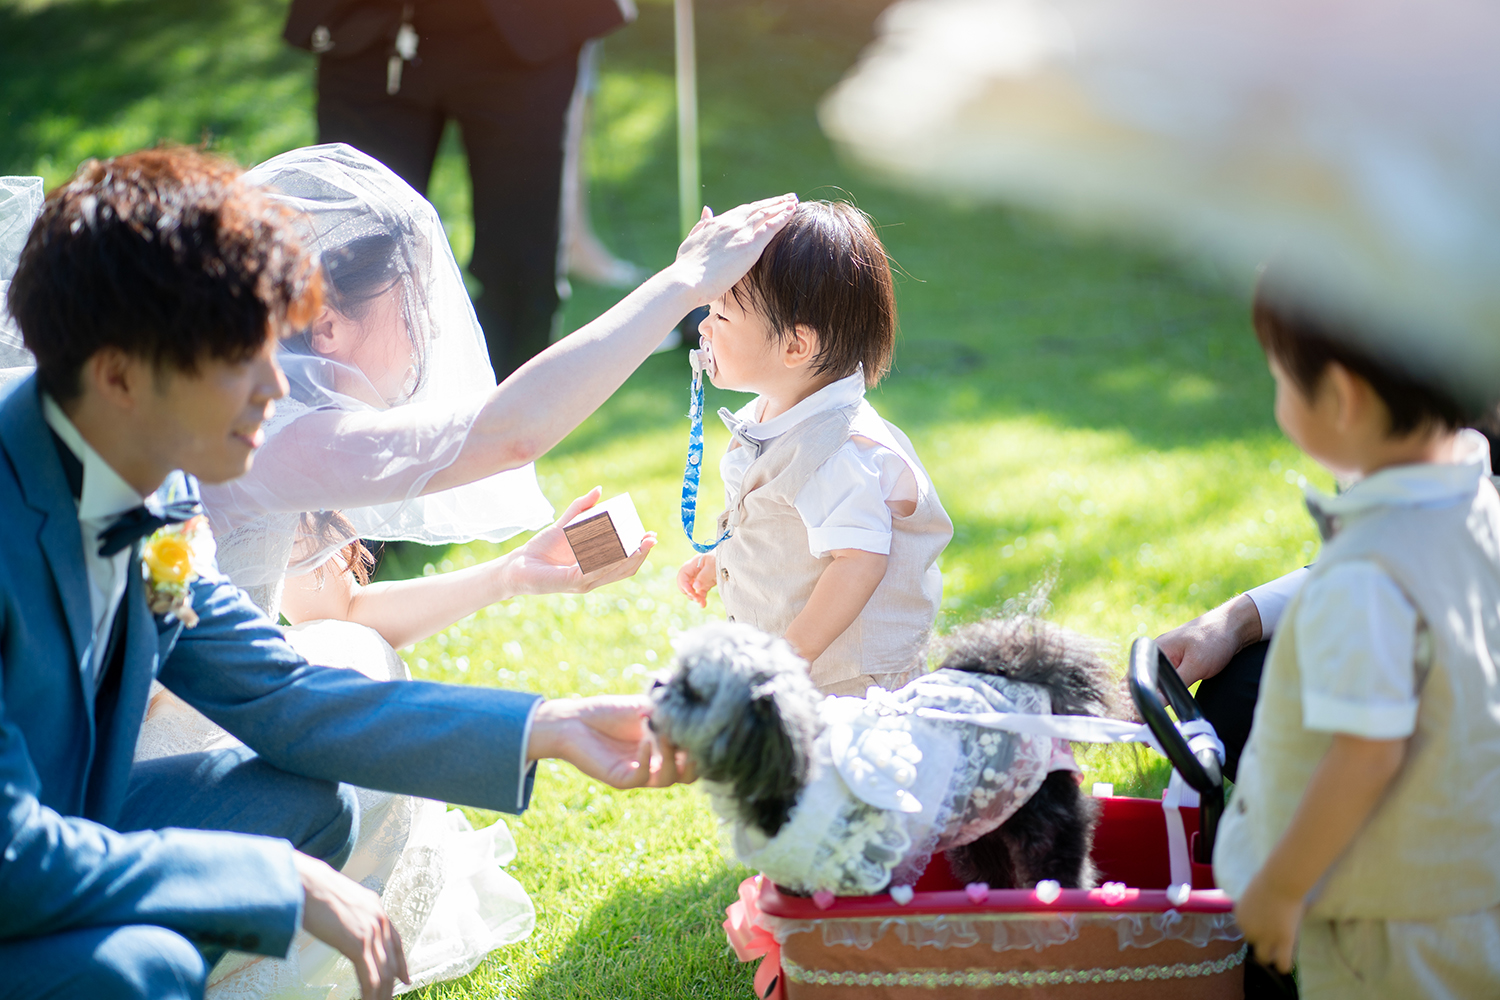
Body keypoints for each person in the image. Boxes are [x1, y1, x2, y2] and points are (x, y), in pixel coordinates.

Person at [0, 146, 792, 1000]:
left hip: (74, 811)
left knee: (312, 809)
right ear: (119, 375)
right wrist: (276, 884)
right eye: (239, 357)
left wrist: (546, 726)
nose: (277, 387)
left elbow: (272, 690)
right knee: (139, 966)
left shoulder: (156, 482)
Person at [119, 144, 656, 998]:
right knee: (355, 709)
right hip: (122, 753)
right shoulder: (269, 429)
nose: (431, 331)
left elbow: (344, 613)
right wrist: (683, 286)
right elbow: (506, 434)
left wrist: (513, 574)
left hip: (208, 693)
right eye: (414, 305)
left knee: (353, 665)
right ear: (329, 323)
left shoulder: (236, 408)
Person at [1210, 271, 1500, 996]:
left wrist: (1282, 888)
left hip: (1384, 916)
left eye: (1280, 380)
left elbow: (1366, 755)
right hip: (1469, 887)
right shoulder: (1478, 504)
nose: (1278, 401)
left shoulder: (1363, 575)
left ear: (1341, 398)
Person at [675, 201, 953, 695]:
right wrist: (726, 561)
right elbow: (776, 522)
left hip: (848, 681)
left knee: (833, 772)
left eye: (720, 314)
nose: (703, 328)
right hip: (808, 673)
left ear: (795, 347)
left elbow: (859, 561)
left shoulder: (837, 453)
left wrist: (788, 659)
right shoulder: (777, 411)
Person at [281, 0, 635, 379]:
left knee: (522, 267)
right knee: (357, 263)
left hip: (528, 27)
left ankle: (509, 428)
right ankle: (353, 430)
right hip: (365, 28)